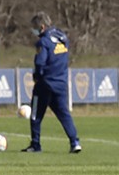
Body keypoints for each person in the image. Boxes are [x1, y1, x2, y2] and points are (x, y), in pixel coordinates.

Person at [22, 12, 82, 154]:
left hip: (45, 83)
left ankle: (35, 144)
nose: (34, 31)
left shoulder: (43, 41)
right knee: (64, 113)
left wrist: (37, 76)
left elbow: (40, 62)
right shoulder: (62, 36)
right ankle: (75, 142)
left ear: (42, 27)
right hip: (61, 82)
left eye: (35, 28)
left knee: (36, 114)